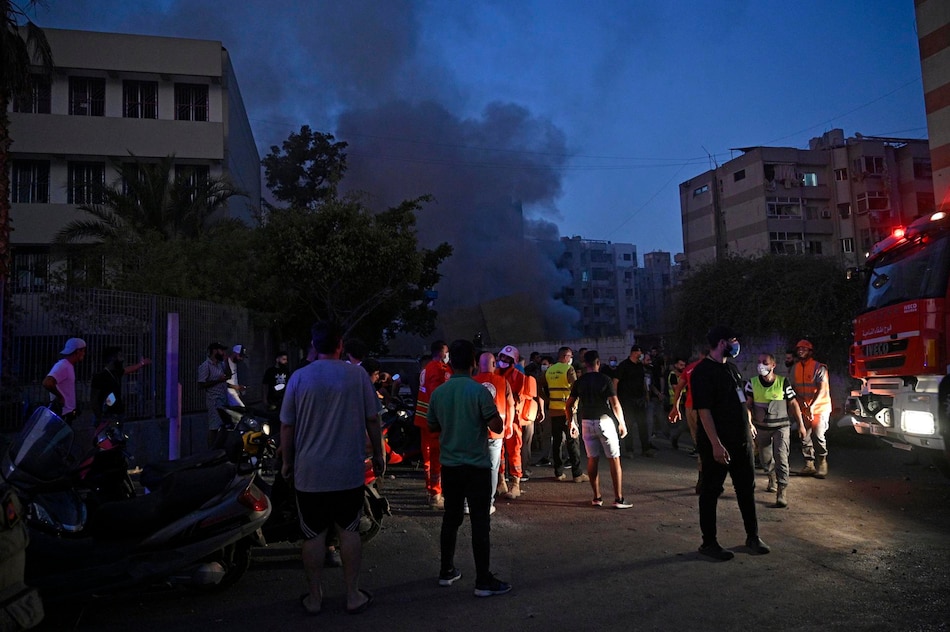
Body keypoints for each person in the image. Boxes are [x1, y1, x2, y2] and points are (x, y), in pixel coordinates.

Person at [279, 321, 384, 616]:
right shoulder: (357, 376)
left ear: (314, 345)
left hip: (309, 473)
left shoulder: (299, 377)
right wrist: (379, 454)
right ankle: (352, 595)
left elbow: (287, 425)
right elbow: (372, 420)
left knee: (313, 535)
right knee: (348, 530)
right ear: (340, 345)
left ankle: (314, 598)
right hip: (347, 471)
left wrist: (287, 462)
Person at [427, 339, 510, 598]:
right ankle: (482, 580)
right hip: (477, 467)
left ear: (450, 363)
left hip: (450, 466)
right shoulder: (479, 392)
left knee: (451, 519)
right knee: (480, 522)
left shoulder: (439, 393)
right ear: (474, 364)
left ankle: (446, 570)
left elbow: (432, 425)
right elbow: (497, 427)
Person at [691, 325, 769, 561]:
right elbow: (704, 411)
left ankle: (752, 536)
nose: (737, 344)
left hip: (741, 441)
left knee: (746, 489)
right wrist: (715, 444)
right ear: (722, 342)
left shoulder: (731, 369)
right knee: (710, 491)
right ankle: (709, 543)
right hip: (718, 444)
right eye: (734, 340)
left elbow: (740, 401)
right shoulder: (702, 372)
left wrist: (749, 425)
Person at [565, 350, 632, 509]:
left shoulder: (580, 381)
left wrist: (571, 423)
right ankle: (618, 498)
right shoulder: (605, 379)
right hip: (604, 421)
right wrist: (621, 422)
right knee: (614, 458)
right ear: (598, 362)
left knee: (592, 459)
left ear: (585, 364)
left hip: (586, 422)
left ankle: (596, 497)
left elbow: (569, 405)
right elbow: (615, 403)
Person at [746, 353, 801, 508]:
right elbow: (748, 406)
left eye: (765, 362)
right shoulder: (752, 383)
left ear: (773, 365)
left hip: (781, 427)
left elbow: (794, 404)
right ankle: (771, 476)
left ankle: (782, 491)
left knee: (781, 457)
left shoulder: (783, 383)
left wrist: (801, 425)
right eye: (758, 362)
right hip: (761, 428)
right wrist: (749, 424)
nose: (761, 365)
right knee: (765, 458)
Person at [473, 352, 515, 513]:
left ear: (478, 365)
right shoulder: (503, 381)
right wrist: (509, 425)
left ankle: (470, 503)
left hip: (475, 432)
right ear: (494, 365)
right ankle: (487, 503)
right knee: (492, 468)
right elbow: (511, 405)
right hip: (496, 432)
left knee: (474, 467)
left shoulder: (472, 382)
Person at [415, 340, 452, 509]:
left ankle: (431, 489)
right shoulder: (438, 369)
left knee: (428, 456)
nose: (447, 355)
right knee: (436, 457)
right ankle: (435, 493)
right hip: (435, 420)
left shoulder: (426, 368)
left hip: (424, 418)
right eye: (446, 352)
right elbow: (438, 395)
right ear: (441, 353)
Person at [791, 339, 832, 478]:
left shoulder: (819, 367)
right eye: (799, 349)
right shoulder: (795, 368)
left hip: (820, 407)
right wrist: (802, 405)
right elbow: (794, 388)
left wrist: (812, 407)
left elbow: (821, 390)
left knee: (818, 434)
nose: (801, 351)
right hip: (804, 407)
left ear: (810, 351)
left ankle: (822, 462)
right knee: (804, 435)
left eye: (804, 348)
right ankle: (809, 464)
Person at [544, 347, 585, 482]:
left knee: (557, 442)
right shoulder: (569, 369)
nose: (571, 358)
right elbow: (576, 387)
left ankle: (558, 472)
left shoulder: (549, 370)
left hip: (553, 410)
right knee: (573, 441)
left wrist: (546, 399)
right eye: (570, 356)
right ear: (565, 356)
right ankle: (577, 474)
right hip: (568, 411)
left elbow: (539, 386)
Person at [495, 344, 525, 498]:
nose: (504, 360)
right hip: (497, 419)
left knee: (514, 452)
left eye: (508, 358)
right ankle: (501, 482)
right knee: (498, 452)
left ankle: (516, 484)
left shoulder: (519, 376)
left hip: (513, 420)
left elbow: (517, 398)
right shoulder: (494, 374)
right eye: (502, 357)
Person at [614, 345, 656, 457]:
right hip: (627, 400)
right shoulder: (624, 366)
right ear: (634, 352)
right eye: (639, 352)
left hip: (639, 400)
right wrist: (614, 397)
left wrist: (646, 394)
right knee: (629, 425)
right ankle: (629, 450)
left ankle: (645, 448)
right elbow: (616, 381)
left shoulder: (639, 366)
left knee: (643, 424)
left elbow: (643, 382)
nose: (641, 354)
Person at [89, 346, 152, 420]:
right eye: (120, 356)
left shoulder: (116, 373)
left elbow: (128, 369)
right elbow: (94, 400)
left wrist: (142, 363)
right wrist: (100, 416)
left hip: (116, 414)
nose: (122, 359)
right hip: (106, 416)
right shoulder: (100, 377)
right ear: (112, 358)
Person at [43, 337, 87, 424]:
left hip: (66, 414)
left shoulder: (68, 366)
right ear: (78, 351)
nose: (84, 354)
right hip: (61, 415)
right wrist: (60, 397)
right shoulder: (63, 365)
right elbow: (47, 383)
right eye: (83, 351)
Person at [197, 342, 230, 447]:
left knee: (224, 425)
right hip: (214, 400)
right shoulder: (205, 366)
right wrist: (218, 381)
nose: (223, 353)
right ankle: (211, 450)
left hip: (223, 399)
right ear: (214, 351)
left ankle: (219, 447)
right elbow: (201, 384)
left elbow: (228, 375)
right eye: (221, 350)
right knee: (214, 426)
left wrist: (226, 361)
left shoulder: (221, 364)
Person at [666, 357, 687, 450]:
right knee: (682, 424)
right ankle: (674, 438)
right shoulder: (673, 375)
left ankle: (674, 438)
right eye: (681, 365)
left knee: (684, 424)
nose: (683, 367)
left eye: (684, 365)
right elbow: (676, 389)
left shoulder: (683, 375)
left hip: (684, 402)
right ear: (676, 365)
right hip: (675, 402)